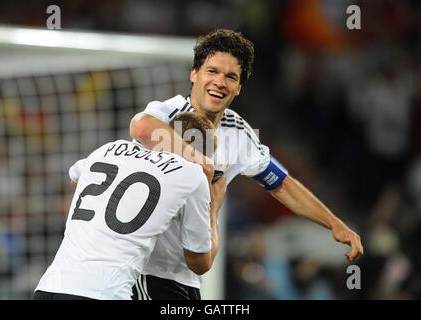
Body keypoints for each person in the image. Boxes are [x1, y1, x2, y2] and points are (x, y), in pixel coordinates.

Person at [130, 29, 363, 300]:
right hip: (145, 266)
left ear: (239, 87)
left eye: (230, 77)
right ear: (194, 74)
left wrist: (333, 223)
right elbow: (141, 126)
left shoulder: (238, 133)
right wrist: (202, 162)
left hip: (187, 272)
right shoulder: (170, 112)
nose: (220, 82)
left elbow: (282, 184)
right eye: (212, 71)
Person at [32, 112, 223, 300]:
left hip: (50, 287)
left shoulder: (108, 149)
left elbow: (75, 176)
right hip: (106, 292)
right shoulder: (193, 174)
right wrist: (213, 206)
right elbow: (199, 263)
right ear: (202, 154)